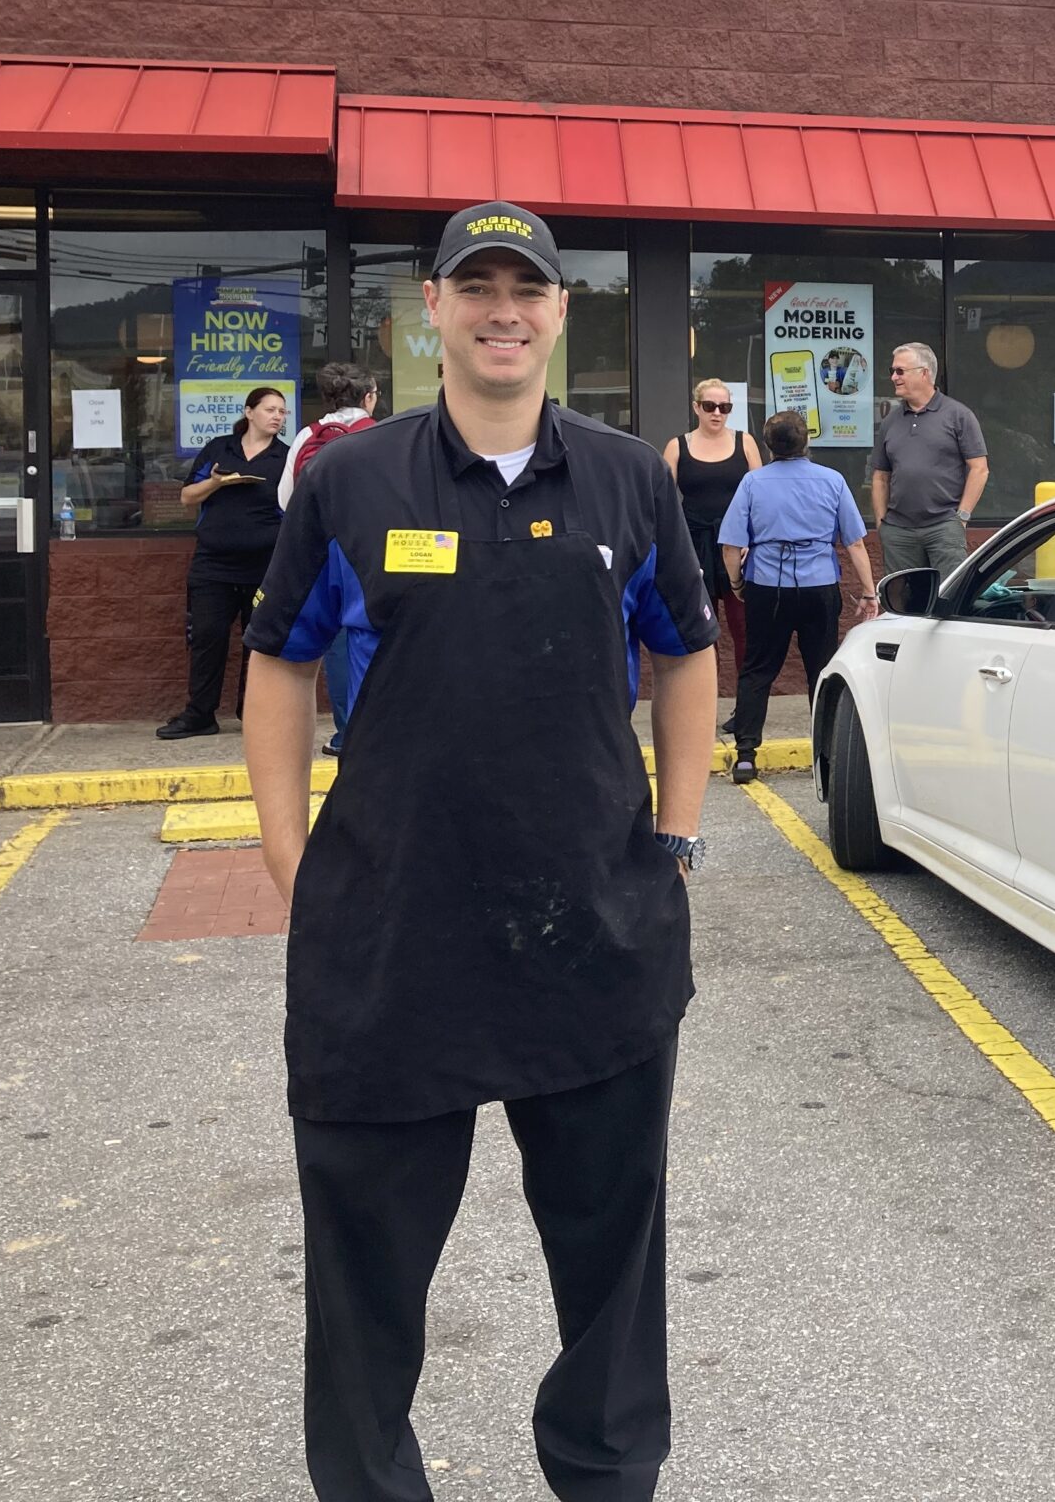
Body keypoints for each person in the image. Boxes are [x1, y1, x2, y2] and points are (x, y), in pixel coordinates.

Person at [241, 199, 719, 1502]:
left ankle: (606, 1479)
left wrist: (675, 836)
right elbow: (277, 670)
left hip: (596, 939)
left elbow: (686, 654)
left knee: (614, 1275)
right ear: (435, 309)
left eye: (528, 287)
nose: (504, 309)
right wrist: (293, 864)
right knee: (364, 1283)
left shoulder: (631, 478)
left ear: (563, 312)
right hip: (392, 949)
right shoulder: (351, 481)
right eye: (477, 285)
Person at [717, 410, 876, 785]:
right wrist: (869, 591)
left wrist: (738, 584)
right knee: (821, 670)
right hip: (818, 585)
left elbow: (730, 545)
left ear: (769, 444)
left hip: (767, 586)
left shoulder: (752, 483)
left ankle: (745, 755)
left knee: (757, 669)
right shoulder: (832, 480)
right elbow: (854, 541)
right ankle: (826, 756)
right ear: (806, 443)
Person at [157, 385, 290, 740]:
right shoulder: (220, 448)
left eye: (282, 411)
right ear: (249, 412)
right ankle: (200, 714)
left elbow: (295, 510)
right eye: (270, 409)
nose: (278, 416)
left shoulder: (286, 458)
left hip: (265, 566)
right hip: (213, 565)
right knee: (207, 638)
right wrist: (215, 483)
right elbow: (187, 497)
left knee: (259, 644)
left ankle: (253, 714)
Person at [280, 363, 379, 758]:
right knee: (371, 637)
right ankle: (370, 725)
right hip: (371, 551)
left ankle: (343, 733)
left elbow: (286, 500)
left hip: (320, 551)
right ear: (369, 396)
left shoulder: (308, 435)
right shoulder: (383, 436)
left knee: (335, 645)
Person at [661, 380, 763, 676]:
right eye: (709, 406)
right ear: (696, 408)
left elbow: (760, 495)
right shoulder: (678, 446)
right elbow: (664, 502)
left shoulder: (745, 442)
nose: (717, 413)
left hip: (738, 544)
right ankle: (705, 698)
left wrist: (754, 538)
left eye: (725, 407)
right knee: (701, 623)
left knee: (743, 623)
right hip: (693, 542)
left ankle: (745, 704)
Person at [867, 342, 988, 581]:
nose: (893, 377)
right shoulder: (891, 420)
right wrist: (882, 525)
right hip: (898, 530)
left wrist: (961, 518)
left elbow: (979, 469)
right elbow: (880, 477)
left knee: (948, 597)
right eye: (893, 371)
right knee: (902, 605)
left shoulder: (958, 415)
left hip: (943, 526)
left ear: (924, 373)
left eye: (900, 371)